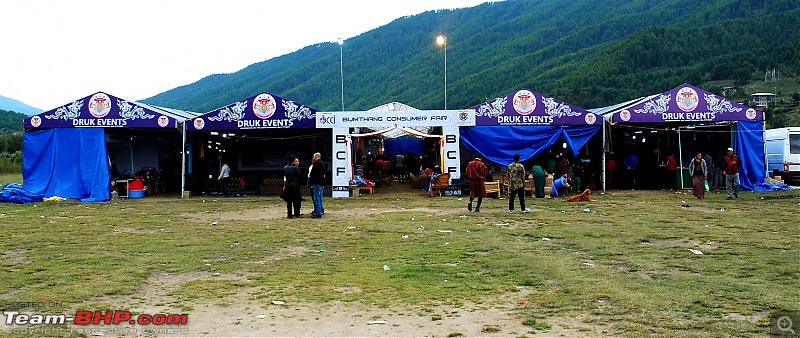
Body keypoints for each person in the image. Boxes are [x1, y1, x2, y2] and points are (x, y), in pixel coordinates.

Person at [308, 152, 326, 218]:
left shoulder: (316, 164)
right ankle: (320, 210)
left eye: (313, 157)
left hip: (317, 183)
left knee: (317, 198)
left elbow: (313, 174)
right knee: (320, 197)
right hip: (321, 183)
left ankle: (318, 212)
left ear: (316, 157)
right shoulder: (322, 164)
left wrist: (310, 182)